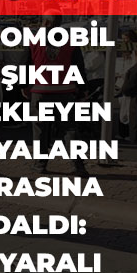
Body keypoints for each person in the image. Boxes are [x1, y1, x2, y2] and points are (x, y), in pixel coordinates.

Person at [26, 14, 88, 176]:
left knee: (40, 129)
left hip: (40, 90)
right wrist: (82, 89)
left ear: (45, 22)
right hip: (65, 91)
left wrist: (24, 86)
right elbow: (78, 67)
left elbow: (27, 65)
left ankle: (40, 165)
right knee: (69, 129)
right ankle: (78, 166)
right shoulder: (71, 41)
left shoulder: (34, 40)